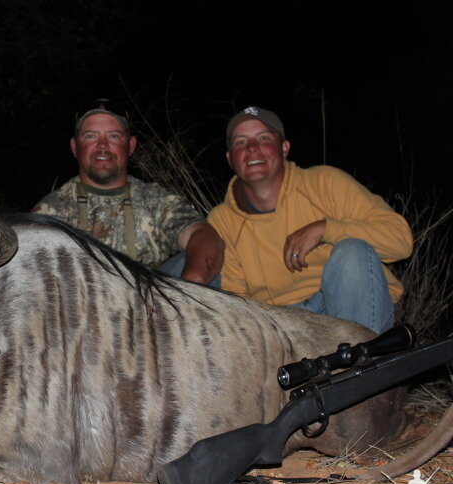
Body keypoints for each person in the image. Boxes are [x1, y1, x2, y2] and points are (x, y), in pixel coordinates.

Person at [207, 106, 413, 333]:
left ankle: (361, 359)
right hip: (284, 325)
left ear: (284, 148)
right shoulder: (221, 221)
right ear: (230, 159)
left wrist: (325, 229)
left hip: (348, 309)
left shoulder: (325, 182)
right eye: (240, 142)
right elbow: (236, 297)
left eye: (264, 138)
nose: (253, 148)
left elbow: (400, 242)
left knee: (351, 251)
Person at [32, 106, 224, 284]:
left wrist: (189, 289)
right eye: (90, 136)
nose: (102, 146)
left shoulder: (155, 200)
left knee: (196, 261)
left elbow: (204, 236)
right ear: (75, 147)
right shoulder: (52, 210)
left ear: (131, 145)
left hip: (152, 307)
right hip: (85, 310)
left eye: (114, 136)